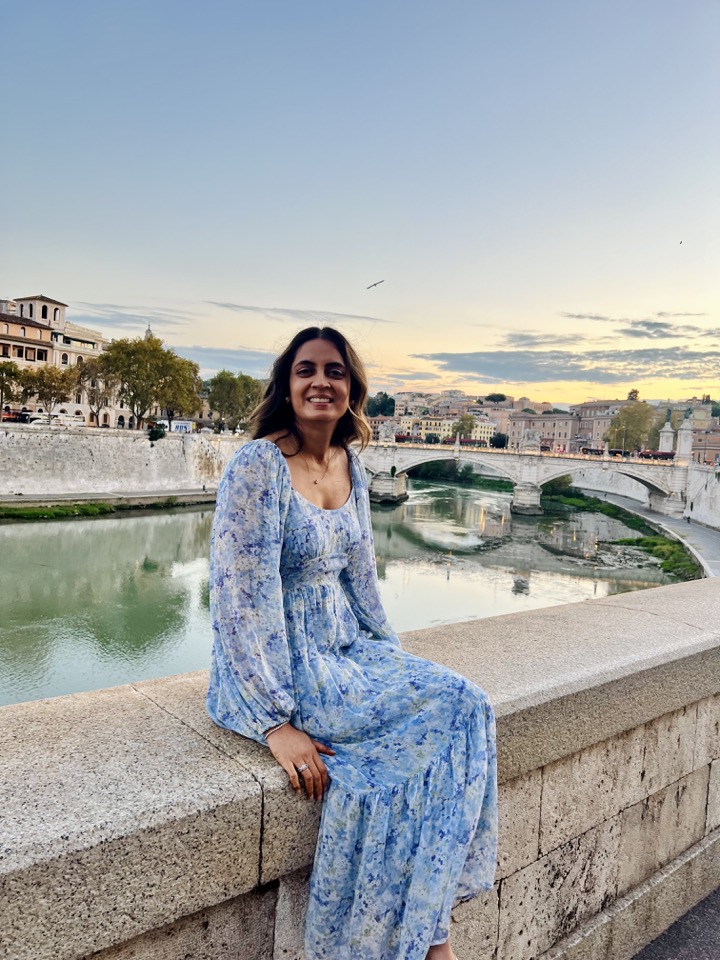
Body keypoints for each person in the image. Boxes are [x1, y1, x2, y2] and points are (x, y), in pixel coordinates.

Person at [207, 327, 497, 960]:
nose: (321, 382)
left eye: (334, 371)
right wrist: (273, 722)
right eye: (306, 370)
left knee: (469, 704)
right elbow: (238, 599)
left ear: (351, 389)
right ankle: (421, 944)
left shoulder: (350, 465)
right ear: (287, 386)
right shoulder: (258, 465)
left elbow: (361, 581)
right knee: (406, 750)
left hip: (346, 650)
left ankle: (427, 928)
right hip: (288, 665)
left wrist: (390, 656)